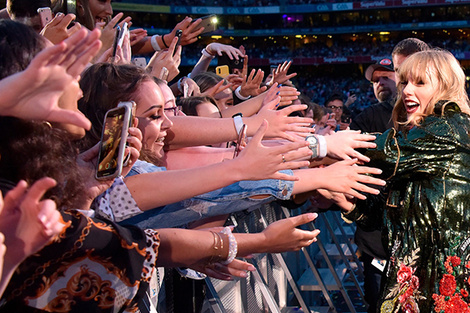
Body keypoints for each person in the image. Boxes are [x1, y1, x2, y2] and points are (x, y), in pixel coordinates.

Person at [336, 49, 470, 312]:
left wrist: (320, 146)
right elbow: (386, 216)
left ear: (445, 86)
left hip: (442, 289)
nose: (407, 91)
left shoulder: (451, 127)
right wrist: (345, 199)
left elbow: (386, 151)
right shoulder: (421, 137)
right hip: (415, 286)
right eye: (405, 82)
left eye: (420, 83)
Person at [349, 57, 397, 313]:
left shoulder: (427, 118)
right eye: (375, 80)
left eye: (386, 77)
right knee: (377, 304)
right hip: (376, 237)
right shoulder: (365, 119)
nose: (380, 83)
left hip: (418, 233)